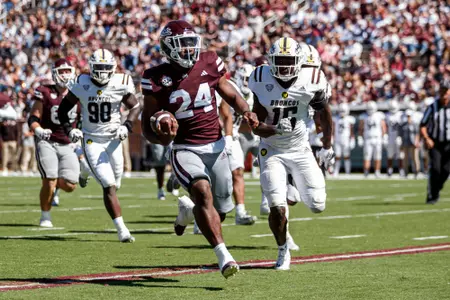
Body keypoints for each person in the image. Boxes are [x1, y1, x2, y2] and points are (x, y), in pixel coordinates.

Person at [140, 20, 259, 278]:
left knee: (221, 210)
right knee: (202, 193)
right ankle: (224, 257)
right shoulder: (155, 78)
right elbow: (147, 127)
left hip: (216, 146)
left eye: (190, 44)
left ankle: (186, 212)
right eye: (181, 46)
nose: (187, 50)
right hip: (185, 149)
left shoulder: (209, 62)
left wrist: (246, 111)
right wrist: (163, 137)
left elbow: (229, 93)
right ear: (168, 48)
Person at [249, 37, 334, 270]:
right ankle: (282, 249)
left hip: (300, 149)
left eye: (289, 61)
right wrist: (273, 128)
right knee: (275, 205)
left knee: (317, 204)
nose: (284, 66)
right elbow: (254, 124)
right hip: (271, 149)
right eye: (279, 61)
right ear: (270, 61)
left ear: (299, 61)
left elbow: (324, 115)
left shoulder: (313, 79)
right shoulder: (259, 78)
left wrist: (327, 146)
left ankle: (294, 188)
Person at [58, 49, 141, 242]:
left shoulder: (121, 82)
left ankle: (85, 170)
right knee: (108, 185)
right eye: (99, 68)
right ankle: (122, 230)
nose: (102, 72)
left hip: (114, 140)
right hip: (92, 140)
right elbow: (63, 111)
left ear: (113, 68)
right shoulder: (81, 83)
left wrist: (127, 126)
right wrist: (70, 130)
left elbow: (135, 106)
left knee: (117, 182)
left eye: (106, 68)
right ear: (91, 67)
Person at [27, 58, 80, 227]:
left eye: (67, 71)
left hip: (67, 143)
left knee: (71, 185)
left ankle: (57, 186)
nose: (65, 75)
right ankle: (45, 215)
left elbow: (85, 119)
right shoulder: (44, 92)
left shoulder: (79, 93)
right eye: (61, 71)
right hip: (47, 141)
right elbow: (34, 117)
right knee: (49, 179)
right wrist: (38, 130)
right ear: (55, 73)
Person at [218, 64, 257, 225]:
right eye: (246, 79)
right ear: (239, 77)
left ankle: (240, 212)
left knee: (238, 172)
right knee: (213, 179)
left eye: (251, 79)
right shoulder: (229, 86)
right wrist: (226, 135)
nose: (248, 82)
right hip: (217, 135)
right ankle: (200, 218)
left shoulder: (251, 94)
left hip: (232, 135)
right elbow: (223, 112)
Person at [419, 84, 450, 204]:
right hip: (435, 143)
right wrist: (427, 138)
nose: (444, 94)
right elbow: (423, 125)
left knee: (446, 170)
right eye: (442, 92)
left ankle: (437, 187)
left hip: (449, 143)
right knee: (436, 169)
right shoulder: (432, 107)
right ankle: (432, 195)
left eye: (446, 91)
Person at [357, 101, 387, 177]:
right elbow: (360, 128)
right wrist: (360, 137)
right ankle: (366, 172)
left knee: (377, 156)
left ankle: (377, 171)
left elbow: (383, 126)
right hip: (368, 138)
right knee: (367, 156)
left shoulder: (379, 115)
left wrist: (385, 136)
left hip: (377, 138)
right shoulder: (363, 116)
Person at [332, 103, 355, 176]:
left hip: (346, 140)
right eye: (341, 111)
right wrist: (332, 137)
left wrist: (352, 139)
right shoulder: (335, 118)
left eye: (343, 111)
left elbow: (351, 130)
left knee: (346, 156)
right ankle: (336, 171)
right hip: (338, 139)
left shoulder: (349, 119)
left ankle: (347, 172)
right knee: (337, 156)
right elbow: (333, 129)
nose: (342, 112)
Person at [398, 109, 420, 178]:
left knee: (415, 158)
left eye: (409, 116)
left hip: (413, 143)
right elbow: (401, 134)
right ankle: (405, 172)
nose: (408, 117)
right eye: (407, 116)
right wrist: (401, 144)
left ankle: (416, 172)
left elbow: (417, 134)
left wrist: (416, 142)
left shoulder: (414, 124)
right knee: (405, 158)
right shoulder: (403, 125)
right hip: (405, 143)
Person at [385, 100, 404, 177]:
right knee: (390, 154)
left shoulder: (401, 114)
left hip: (398, 136)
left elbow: (403, 126)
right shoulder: (387, 115)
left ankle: (401, 169)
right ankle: (389, 169)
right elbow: (385, 126)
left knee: (401, 155)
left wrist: (401, 135)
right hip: (390, 136)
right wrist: (385, 136)